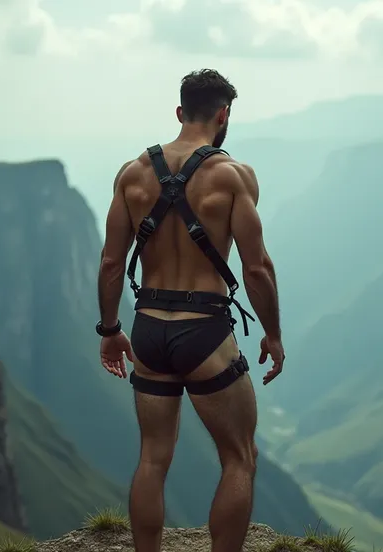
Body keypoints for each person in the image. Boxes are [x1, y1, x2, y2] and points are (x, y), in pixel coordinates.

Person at [96, 68, 284, 552]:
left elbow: (112, 261)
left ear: (180, 112)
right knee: (239, 457)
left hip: (149, 328)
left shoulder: (132, 174)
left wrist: (110, 330)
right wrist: (272, 334)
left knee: (153, 459)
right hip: (205, 332)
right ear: (224, 115)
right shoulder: (234, 177)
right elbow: (257, 268)